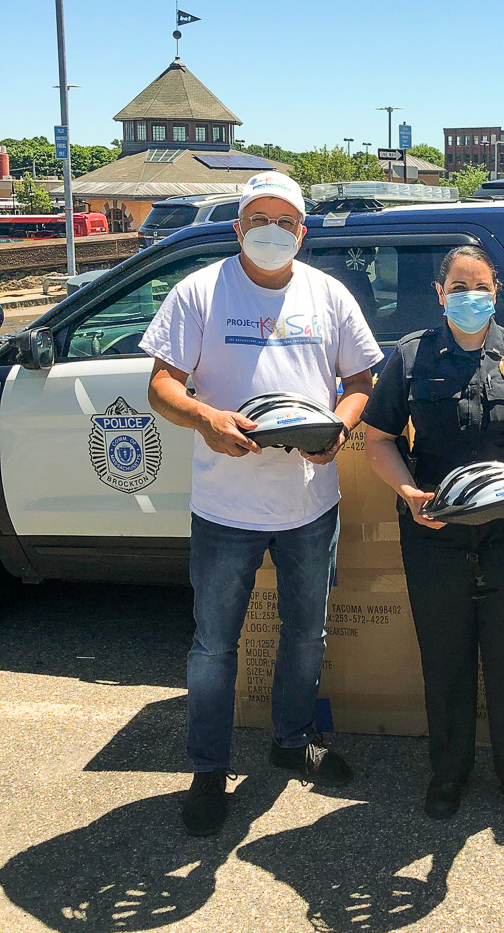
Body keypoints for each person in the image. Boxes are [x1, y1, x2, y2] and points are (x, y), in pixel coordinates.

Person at [141, 172, 383, 836]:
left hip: (309, 503)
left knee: (307, 633)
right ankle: (209, 769)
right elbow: (161, 384)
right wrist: (203, 420)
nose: (272, 231)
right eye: (258, 219)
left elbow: (361, 378)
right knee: (214, 646)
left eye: (285, 220)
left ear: (303, 231)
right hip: (225, 507)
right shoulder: (200, 291)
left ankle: (290, 738)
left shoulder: (327, 294)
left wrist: (339, 427)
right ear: (237, 227)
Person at [363, 246, 504, 829]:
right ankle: (448, 774)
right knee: (445, 653)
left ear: (496, 291)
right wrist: (407, 492)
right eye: (458, 287)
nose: (469, 296)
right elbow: (378, 438)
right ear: (440, 293)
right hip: (436, 529)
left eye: (479, 286)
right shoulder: (409, 357)